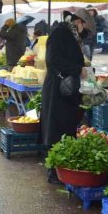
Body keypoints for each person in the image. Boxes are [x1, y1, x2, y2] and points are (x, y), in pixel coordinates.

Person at [41, 9, 87, 183]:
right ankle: (54, 171)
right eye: (84, 25)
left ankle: (61, 168)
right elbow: (53, 60)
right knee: (57, 128)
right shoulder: (61, 32)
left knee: (65, 127)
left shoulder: (69, 33)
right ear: (78, 21)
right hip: (57, 90)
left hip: (65, 90)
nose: (84, 30)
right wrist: (77, 69)